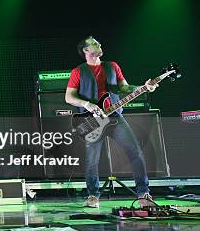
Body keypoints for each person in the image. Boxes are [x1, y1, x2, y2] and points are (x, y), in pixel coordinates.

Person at [65, 36, 157, 208]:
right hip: (93, 121)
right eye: (94, 43)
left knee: (136, 153)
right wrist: (87, 104)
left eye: (98, 42)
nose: (99, 44)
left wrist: (142, 87)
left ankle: (143, 194)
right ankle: (93, 196)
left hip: (115, 117)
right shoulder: (78, 71)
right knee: (92, 161)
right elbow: (69, 96)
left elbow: (125, 88)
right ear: (85, 50)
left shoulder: (112, 66)